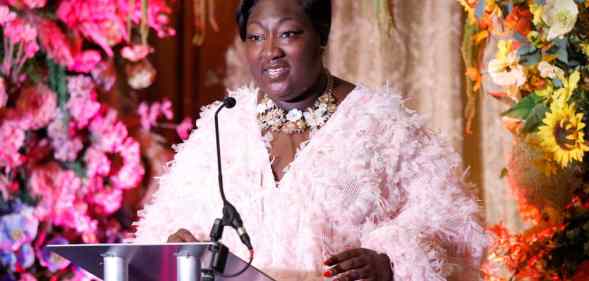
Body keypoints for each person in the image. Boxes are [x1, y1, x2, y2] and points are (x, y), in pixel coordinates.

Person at [131, 0, 488, 280]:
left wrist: (389, 262)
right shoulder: (223, 124)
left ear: (321, 35)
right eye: (256, 37)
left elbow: (454, 228)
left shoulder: (383, 123)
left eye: (287, 34)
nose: (270, 51)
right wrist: (172, 246)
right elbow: (162, 225)